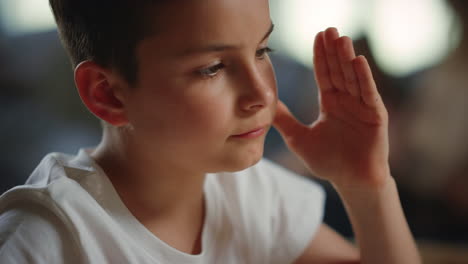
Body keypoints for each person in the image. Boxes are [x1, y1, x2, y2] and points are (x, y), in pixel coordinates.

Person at [0, 0, 421, 263]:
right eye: (212, 68)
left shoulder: (255, 196)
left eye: (261, 50)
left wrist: (368, 185)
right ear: (107, 94)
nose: (261, 94)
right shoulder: (44, 243)